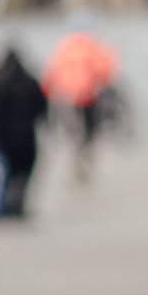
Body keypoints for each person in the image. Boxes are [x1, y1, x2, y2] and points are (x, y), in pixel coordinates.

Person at [40, 19, 118, 181]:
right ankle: (84, 154)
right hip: (89, 96)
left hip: (67, 97)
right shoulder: (94, 47)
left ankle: (77, 154)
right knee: (90, 129)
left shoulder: (63, 48)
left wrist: (46, 94)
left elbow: (51, 73)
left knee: (74, 129)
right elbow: (105, 71)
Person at [0, 47, 50, 218]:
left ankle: (8, 205)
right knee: (22, 173)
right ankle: (17, 204)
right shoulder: (31, 82)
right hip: (27, 138)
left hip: (2, 140)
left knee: (6, 174)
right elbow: (43, 109)